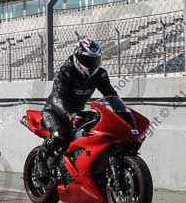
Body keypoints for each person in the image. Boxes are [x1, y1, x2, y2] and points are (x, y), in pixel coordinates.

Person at [34, 39, 133, 182]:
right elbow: (57, 98)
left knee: (97, 125)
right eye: (87, 60)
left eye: (94, 60)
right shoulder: (65, 72)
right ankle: (40, 164)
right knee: (59, 134)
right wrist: (70, 115)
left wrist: (122, 113)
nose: (92, 65)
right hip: (55, 111)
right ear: (78, 57)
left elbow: (111, 94)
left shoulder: (100, 74)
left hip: (77, 112)